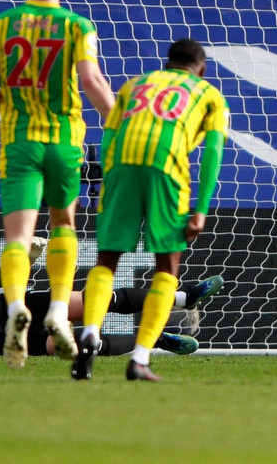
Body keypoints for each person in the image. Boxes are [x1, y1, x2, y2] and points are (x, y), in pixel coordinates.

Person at [0, 0, 116, 368]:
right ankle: (57, 308)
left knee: (18, 237)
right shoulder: (77, 26)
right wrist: (118, 121)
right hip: (65, 140)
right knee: (64, 223)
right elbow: (90, 81)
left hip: (20, 140)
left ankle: (17, 304)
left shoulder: (1, 26)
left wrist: (16, 110)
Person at [75, 38, 228, 381]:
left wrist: (107, 183)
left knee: (107, 262)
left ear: (167, 63)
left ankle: (89, 333)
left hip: (121, 168)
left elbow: (108, 136)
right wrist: (200, 210)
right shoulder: (209, 94)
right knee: (167, 269)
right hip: (166, 168)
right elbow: (214, 152)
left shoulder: (135, 84)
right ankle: (140, 359)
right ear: (200, 69)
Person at [0, 242, 223, 358]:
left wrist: (26, 259)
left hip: (11, 309)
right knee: (67, 346)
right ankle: (154, 341)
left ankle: (182, 296)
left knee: (94, 299)